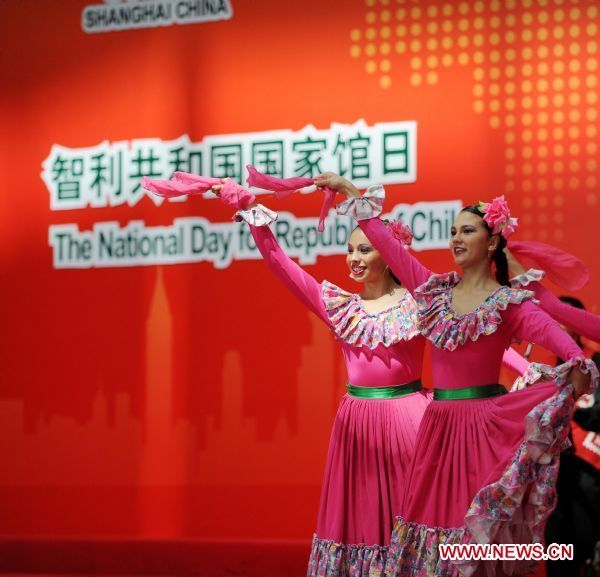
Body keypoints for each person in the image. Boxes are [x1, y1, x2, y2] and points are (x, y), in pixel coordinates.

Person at [314, 173, 598, 576]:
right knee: (428, 540)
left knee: (473, 541)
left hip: (483, 431)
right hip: (438, 430)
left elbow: (565, 346)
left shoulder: (510, 305)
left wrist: (578, 365)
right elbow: (389, 249)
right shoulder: (433, 292)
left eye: (468, 230)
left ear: (493, 241)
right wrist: (352, 195)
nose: (457, 239)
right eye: (452, 232)